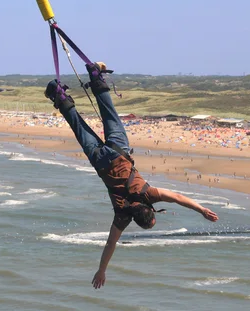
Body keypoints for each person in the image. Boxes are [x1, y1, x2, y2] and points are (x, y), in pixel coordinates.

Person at [45, 62, 219, 289]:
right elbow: (110, 244)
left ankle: (96, 76)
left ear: (151, 212)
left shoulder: (150, 195)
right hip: (100, 161)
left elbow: (177, 197)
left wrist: (202, 210)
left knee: (108, 113)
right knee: (78, 126)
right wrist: (101, 270)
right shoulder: (122, 215)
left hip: (119, 151)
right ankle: (57, 93)